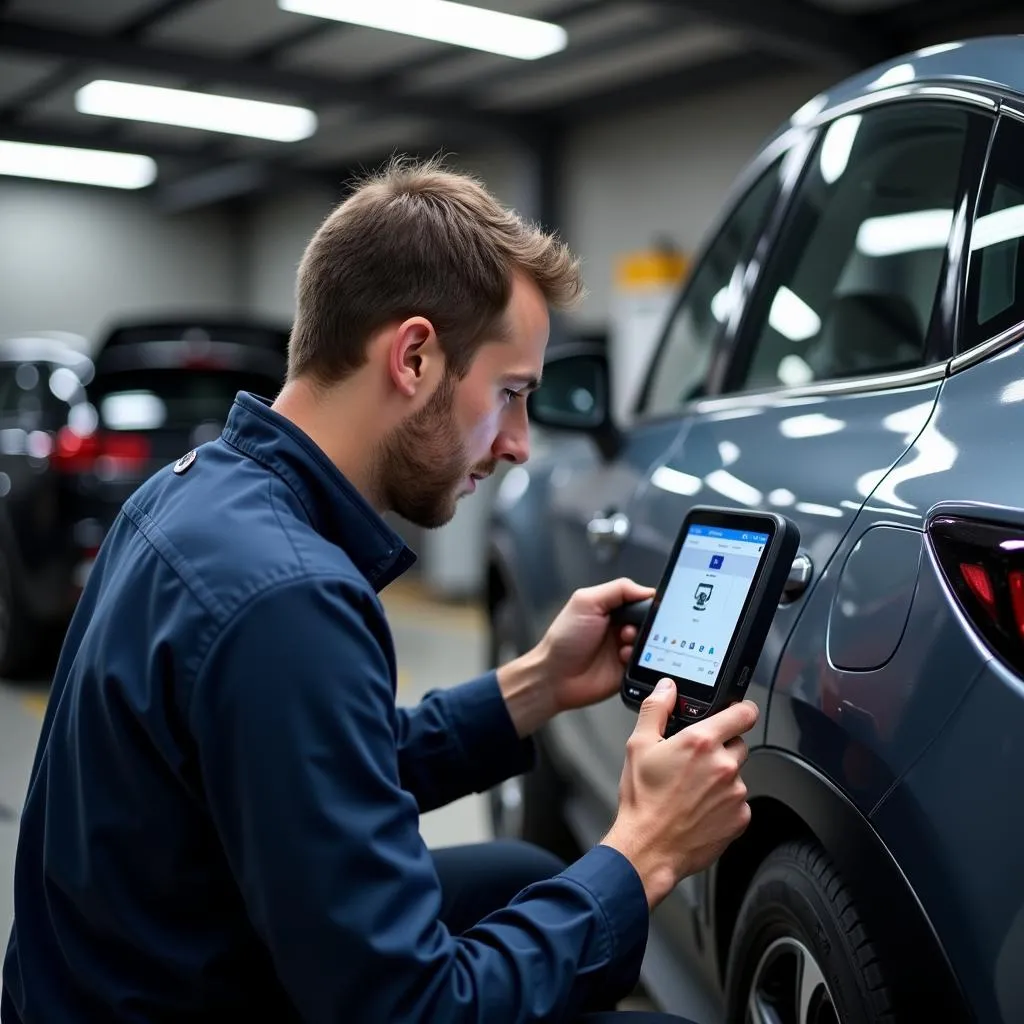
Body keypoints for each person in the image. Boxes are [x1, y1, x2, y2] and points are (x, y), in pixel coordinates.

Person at [1, 158, 757, 1024]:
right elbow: (412, 1010)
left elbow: (314, 767)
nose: (516, 444)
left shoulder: (190, 491)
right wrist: (642, 852)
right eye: (509, 395)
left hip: (121, 976)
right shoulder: (287, 598)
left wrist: (535, 685)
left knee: (524, 879)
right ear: (415, 356)